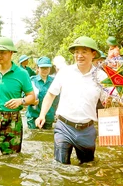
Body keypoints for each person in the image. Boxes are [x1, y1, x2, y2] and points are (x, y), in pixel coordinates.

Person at [35, 36, 106, 164]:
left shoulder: (101, 76)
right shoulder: (65, 72)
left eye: (84, 51)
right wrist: (42, 115)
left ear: (93, 54)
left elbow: (109, 101)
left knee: (87, 167)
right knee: (61, 167)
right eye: (77, 52)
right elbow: (51, 95)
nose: (79, 55)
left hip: (87, 129)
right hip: (64, 126)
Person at [26, 56, 59, 129]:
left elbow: (58, 99)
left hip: (49, 116)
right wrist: (32, 102)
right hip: (33, 116)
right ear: (37, 68)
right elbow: (24, 98)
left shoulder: (54, 82)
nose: (45, 70)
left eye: (47, 68)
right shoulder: (31, 81)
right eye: (42, 68)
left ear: (50, 68)